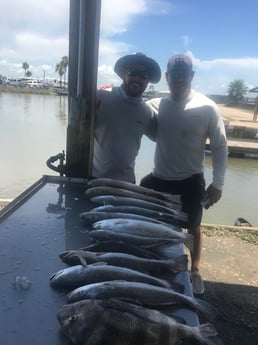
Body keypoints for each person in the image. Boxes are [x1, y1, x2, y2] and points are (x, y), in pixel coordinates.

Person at [140, 54, 228, 294]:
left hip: (191, 179)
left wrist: (218, 183)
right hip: (159, 177)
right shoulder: (155, 105)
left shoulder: (207, 107)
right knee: (152, 223)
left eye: (184, 73)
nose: (179, 78)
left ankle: (196, 270)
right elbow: (137, 117)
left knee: (193, 227)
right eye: (174, 74)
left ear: (192, 76)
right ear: (167, 77)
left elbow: (220, 146)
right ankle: (155, 262)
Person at [93, 52, 161, 182]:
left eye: (144, 75)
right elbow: (79, 127)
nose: (137, 78)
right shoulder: (100, 97)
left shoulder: (146, 111)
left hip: (127, 182)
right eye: (132, 72)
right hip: (95, 179)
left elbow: (162, 139)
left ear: (148, 80)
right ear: (124, 73)